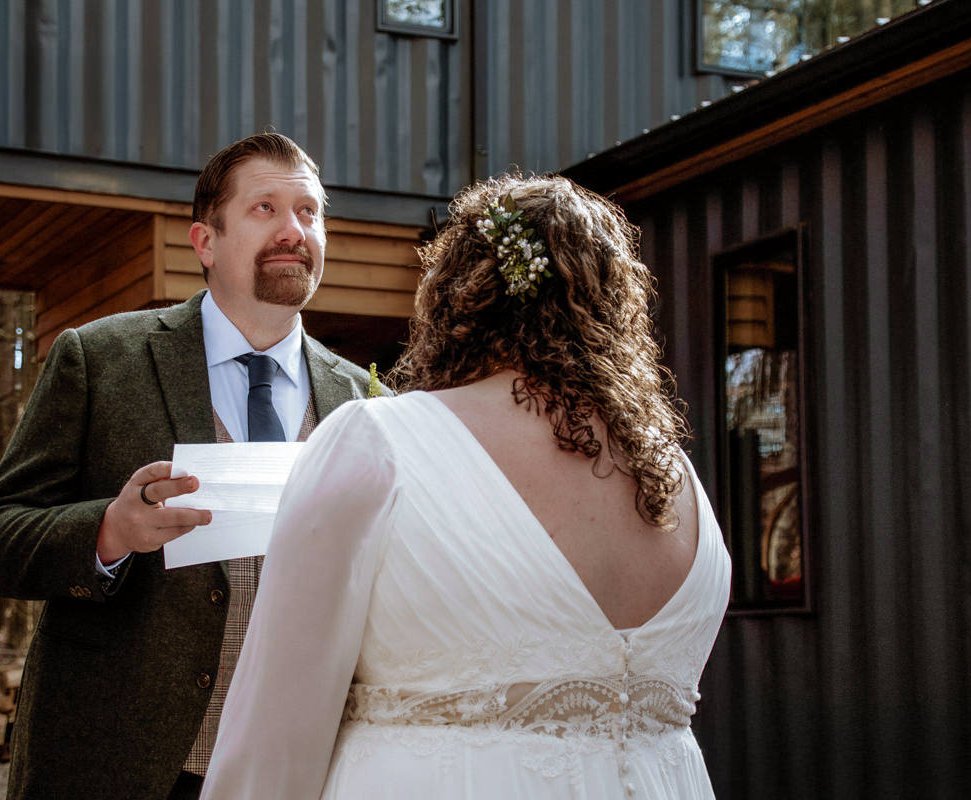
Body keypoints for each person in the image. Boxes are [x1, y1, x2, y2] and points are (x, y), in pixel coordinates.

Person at [199, 173, 731, 799]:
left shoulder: (380, 440)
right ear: (611, 306)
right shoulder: (675, 475)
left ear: (457, 296)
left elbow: (275, 737)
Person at [0, 133, 387, 800]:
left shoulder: (365, 400)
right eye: (264, 209)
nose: (292, 230)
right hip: (121, 766)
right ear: (204, 242)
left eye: (309, 211)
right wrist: (109, 531)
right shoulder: (98, 360)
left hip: (298, 770)